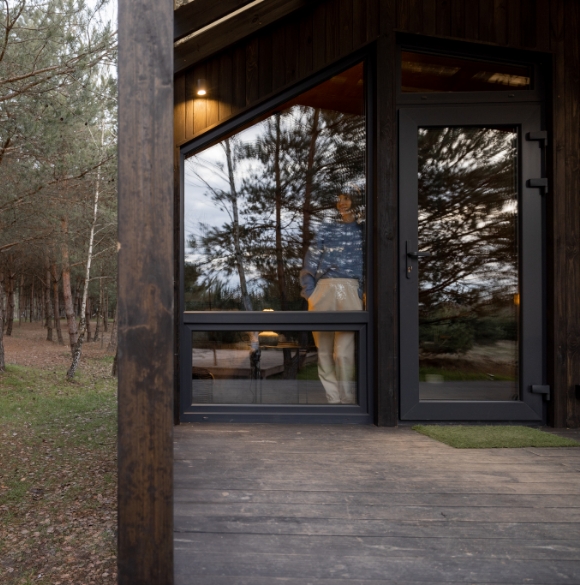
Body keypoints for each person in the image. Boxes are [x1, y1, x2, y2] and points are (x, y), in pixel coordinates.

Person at [299, 190, 364, 404]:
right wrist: (311, 292)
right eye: (338, 199)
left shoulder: (363, 231)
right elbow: (310, 261)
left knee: (344, 352)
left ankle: (347, 399)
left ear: (357, 202)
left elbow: (370, 263)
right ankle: (333, 399)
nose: (341, 203)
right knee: (324, 350)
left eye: (346, 198)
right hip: (323, 290)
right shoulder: (327, 229)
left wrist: (362, 291)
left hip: (350, 289)